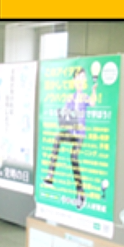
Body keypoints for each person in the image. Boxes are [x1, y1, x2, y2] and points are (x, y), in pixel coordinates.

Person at [43, 67, 96, 210]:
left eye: (83, 78)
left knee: (73, 157)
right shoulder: (70, 97)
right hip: (71, 131)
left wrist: (94, 90)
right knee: (58, 137)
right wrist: (64, 115)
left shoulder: (85, 97)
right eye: (78, 78)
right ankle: (50, 174)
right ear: (74, 80)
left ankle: (80, 193)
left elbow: (93, 103)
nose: (80, 80)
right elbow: (65, 112)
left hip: (80, 133)